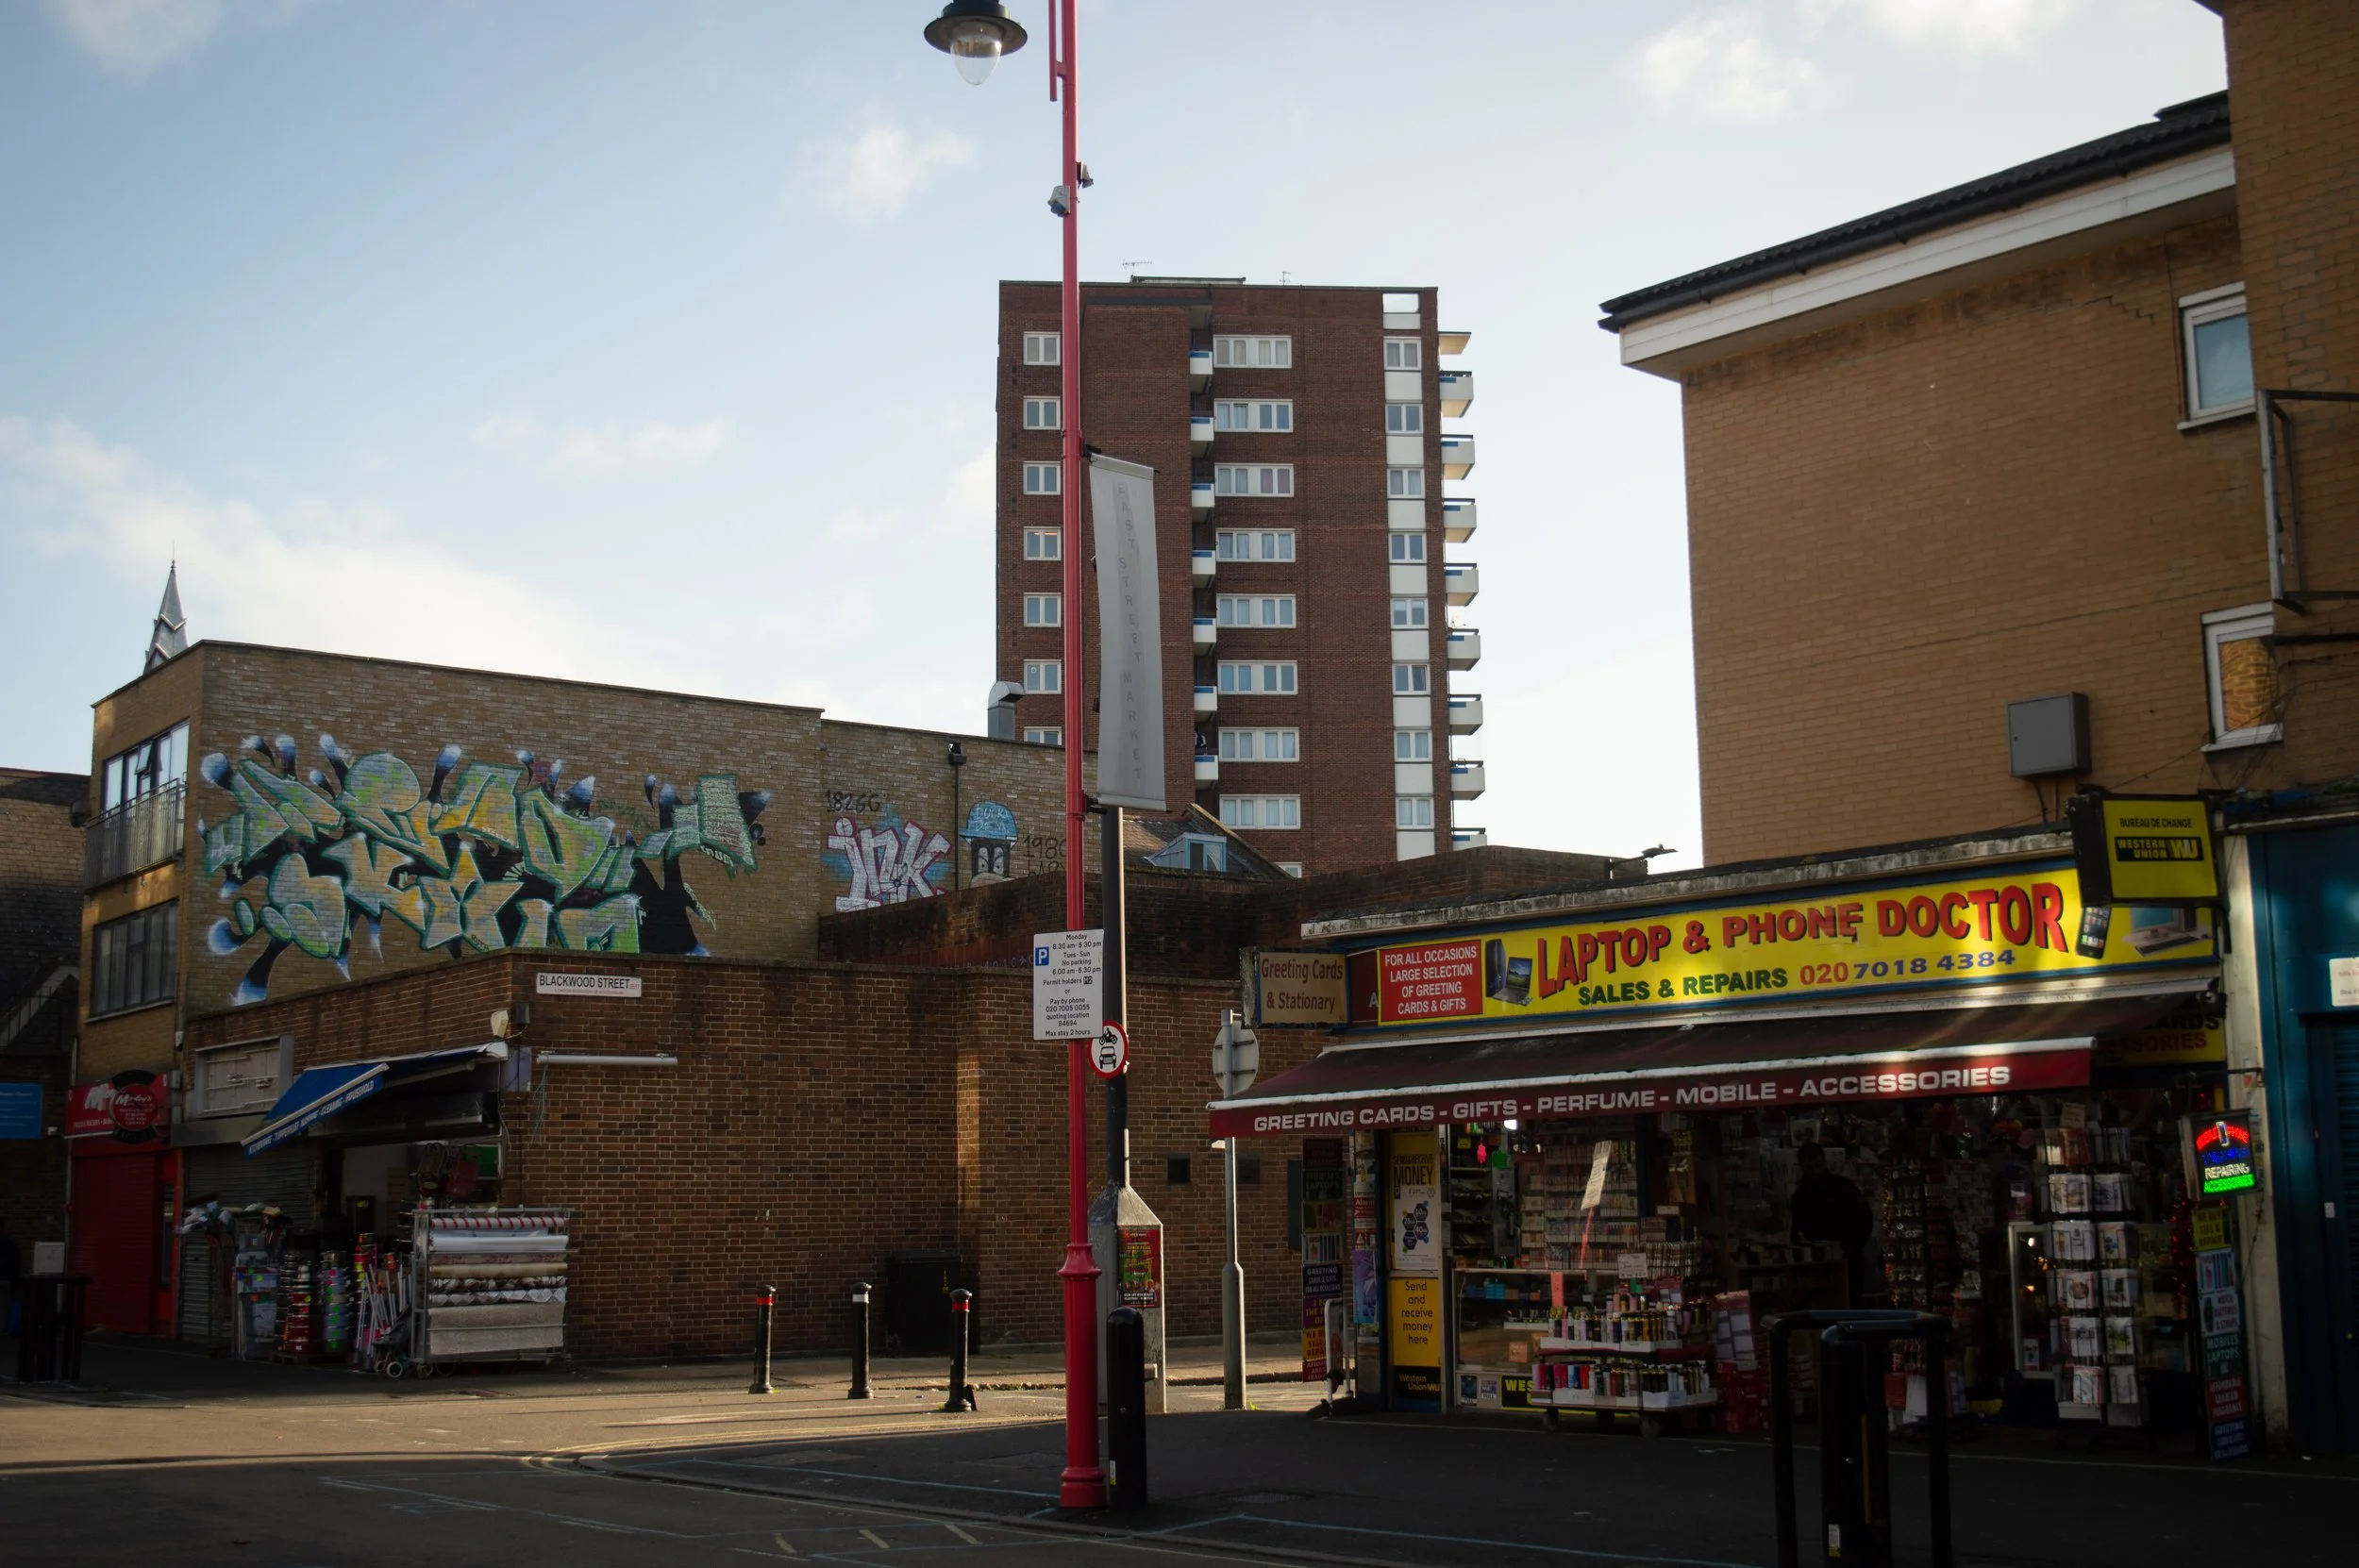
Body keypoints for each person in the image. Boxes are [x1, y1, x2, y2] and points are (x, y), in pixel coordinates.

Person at [1790, 1141, 1873, 1306]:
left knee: (1850, 1302)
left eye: (1818, 1166)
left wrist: (1854, 1246)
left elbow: (1864, 1217)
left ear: (1824, 1163)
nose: (1815, 1172)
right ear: (1802, 1167)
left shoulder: (1843, 1187)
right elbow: (1797, 1228)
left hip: (1848, 1257)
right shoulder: (1800, 1196)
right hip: (1817, 1263)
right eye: (1810, 1168)